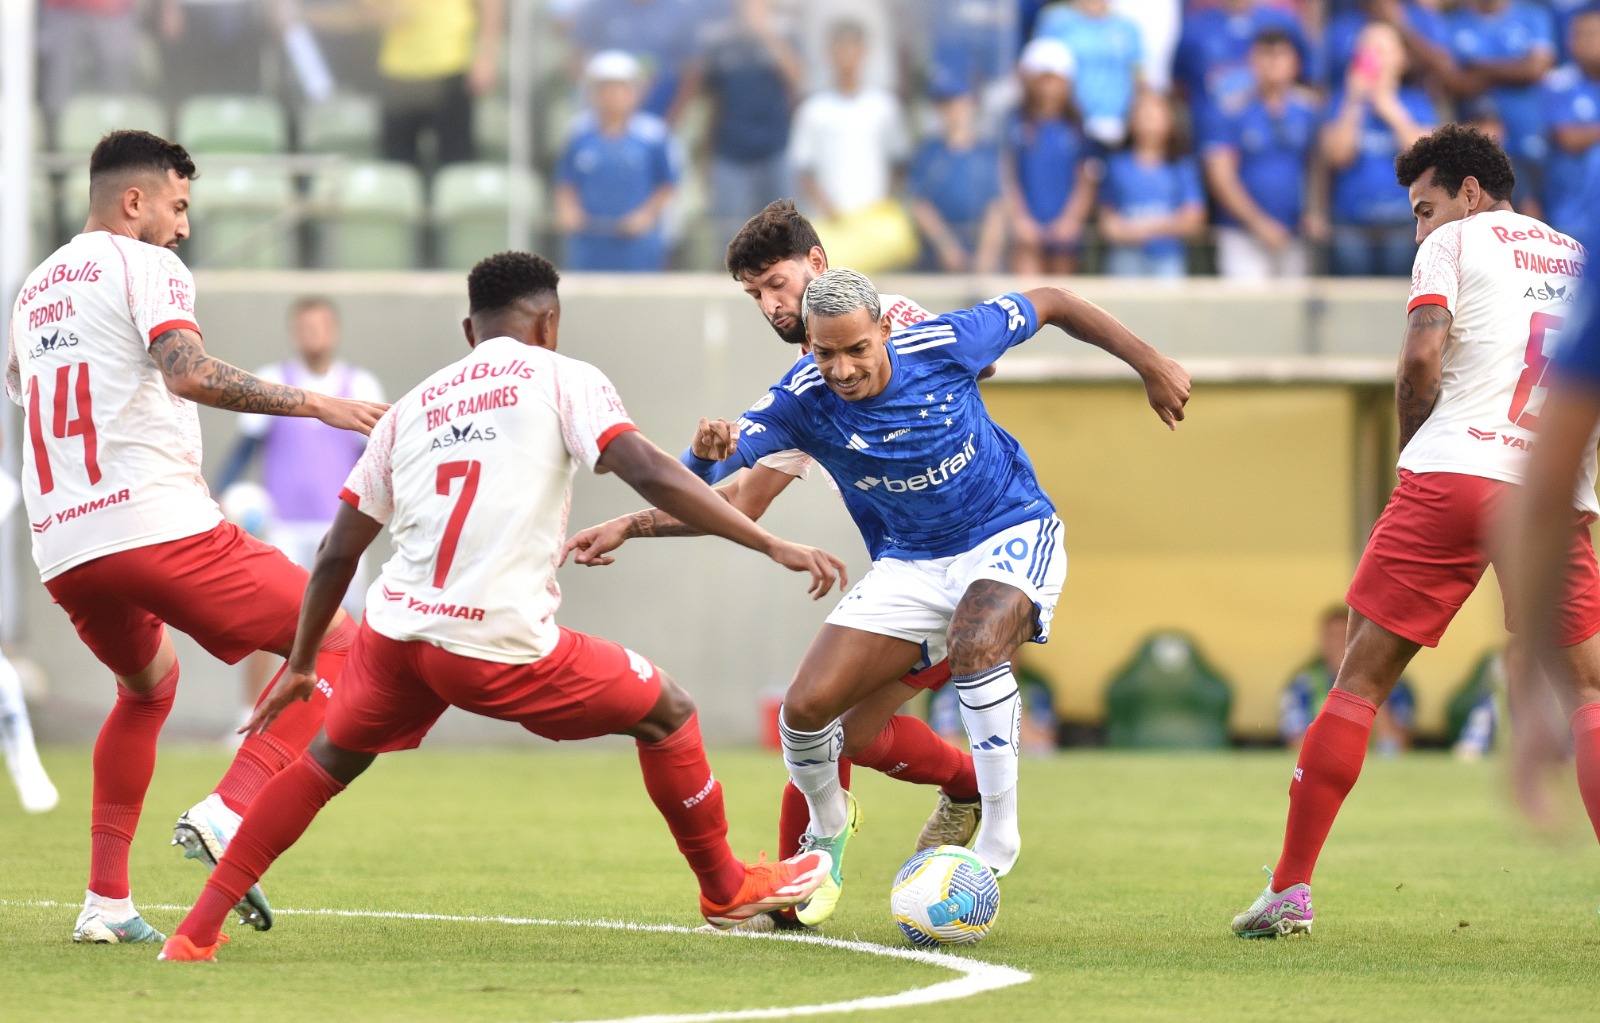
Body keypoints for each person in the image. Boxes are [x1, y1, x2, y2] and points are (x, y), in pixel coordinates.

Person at [155, 251, 846, 962]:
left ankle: (194, 932)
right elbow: (646, 469)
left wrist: (302, 662)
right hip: (490, 643)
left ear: (468, 328)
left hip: (395, 637)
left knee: (325, 761)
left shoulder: (412, 406)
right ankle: (725, 888)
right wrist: (766, 541)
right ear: (549, 322)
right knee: (668, 710)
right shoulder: (563, 376)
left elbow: (335, 551)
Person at [577, 267, 1190, 926]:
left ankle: (999, 832)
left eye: (855, 350)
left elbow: (1055, 299)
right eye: (825, 352)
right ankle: (828, 823)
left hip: (1007, 530)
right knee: (808, 708)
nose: (841, 368)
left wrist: (1150, 363)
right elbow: (709, 483)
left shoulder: (945, 343)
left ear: (885, 331)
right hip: (911, 563)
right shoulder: (801, 399)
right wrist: (702, 456)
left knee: (977, 642)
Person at [5, 130, 387, 944]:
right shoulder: (145, 265)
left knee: (148, 689)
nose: (183, 227)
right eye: (177, 206)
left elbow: (29, 388)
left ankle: (105, 904)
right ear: (134, 201)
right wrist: (316, 402)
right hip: (154, 524)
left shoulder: (33, 290)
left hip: (65, 547)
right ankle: (228, 809)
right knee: (342, 643)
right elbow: (185, 368)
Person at [566, 200, 988, 932]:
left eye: (776, 283)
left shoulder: (898, 328)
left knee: (818, 715)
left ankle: (802, 891)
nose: (768, 304)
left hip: (971, 567)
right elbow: (738, 502)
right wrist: (634, 522)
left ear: (819, 266)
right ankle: (962, 785)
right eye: (753, 293)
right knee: (844, 731)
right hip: (907, 576)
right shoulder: (816, 380)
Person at [1230, 124, 1600, 939]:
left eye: (1424, 207)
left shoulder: (1454, 243)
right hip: (1552, 489)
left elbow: (1421, 361)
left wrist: (1412, 451)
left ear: (1469, 193)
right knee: (1588, 695)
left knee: (1360, 681)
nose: (1420, 227)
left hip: (1455, 473)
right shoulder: (1579, 256)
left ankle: (1290, 889)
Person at [214, 296, 386, 716]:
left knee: (350, 624)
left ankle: (347, 719)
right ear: (295, 332)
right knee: (269, 620)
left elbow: (378, 458)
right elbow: (245, 449)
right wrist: (217, 493)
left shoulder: (361, 387)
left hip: (340, 526)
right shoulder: (275, 382)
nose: (313, 334)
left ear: (335, 331)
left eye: (320, 325)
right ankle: (248, 716)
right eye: (305, 326)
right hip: (284, 525)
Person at [1203, 27, 1322, 280]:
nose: (1273, 63)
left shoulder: (1310, 110)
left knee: (1293, 313)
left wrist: (1316, 211)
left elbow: (1320, 168)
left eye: (1281, 55)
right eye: (1265, 55)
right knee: (1246, 313)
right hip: (1242, 233)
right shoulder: (1232, 110)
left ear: (1295, 63)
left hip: (1296, 233)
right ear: (1252, 61)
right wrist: (1258, 224)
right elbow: (1221, 175)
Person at [1320, 21, 1435, 276]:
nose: (1373, 56)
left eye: (1381, 49)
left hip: (1403, 223)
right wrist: (1353, 103)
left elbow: (1424, 158)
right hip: (1351, 224)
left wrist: (1389, 108)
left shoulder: (1416, 101)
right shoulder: (1342, 101)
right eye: (1366, 49)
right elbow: (1337, 156)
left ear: (1401, 59)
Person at [690, 0, 805, 248]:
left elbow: (797, 77)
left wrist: (765, 32)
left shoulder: (786, 33)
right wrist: (707, 156)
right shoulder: (719, 41)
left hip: (775, 148)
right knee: (730, 236)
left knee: (785, 235)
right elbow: (712, 102)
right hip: (730, 152)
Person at [556, 51, 681, 272]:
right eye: (606, 89)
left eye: (621, 89)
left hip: (637, 241)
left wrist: (645, 216)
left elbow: (667, 184)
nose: (613, 96)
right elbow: (566, 181)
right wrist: (568, 210)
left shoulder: (653, 135)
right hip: (589, 239)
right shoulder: (578, 133)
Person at [787, 20, 910, 224]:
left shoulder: (884, 107)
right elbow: (803, 169)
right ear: (829, 55)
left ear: (863, 54)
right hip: (830, 221)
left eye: (852, 49)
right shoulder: (813, 110)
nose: (846, 58)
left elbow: (899, 162)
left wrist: (886, 201)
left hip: (874, 217)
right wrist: (826, 206)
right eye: (840, 49)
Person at [372, 0, 503, 171]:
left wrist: (487, 57)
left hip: (450, 65)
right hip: (398, 72)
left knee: (457, 166)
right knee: (396, 166)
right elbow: (367, 11)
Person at [1003, 38, 1095, 275]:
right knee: (1026, 300)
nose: (1049, 89)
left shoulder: (1078, 126)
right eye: (1043, 80)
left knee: (1062, 298)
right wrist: (1020, 219)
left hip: (1064, 232)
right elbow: (1006, 174)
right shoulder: (1015, 123)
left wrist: (1071, 220)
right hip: (1026, 231)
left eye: (1056, 80)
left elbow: (1086, 178)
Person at [1279, 605, 1415, 756]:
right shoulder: (1303, 686)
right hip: (1328, 768)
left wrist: (1365, 683)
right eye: (1332, 637)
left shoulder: (1392, 682)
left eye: (1343, 636)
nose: (1337, 644)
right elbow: (1298, 747)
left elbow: (1395, 746)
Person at [908, 66, 1006, 274]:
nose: (951, 110)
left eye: (955, 102)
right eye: (944, 104)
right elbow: (920, 204)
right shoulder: (929, 153)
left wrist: (986, 255)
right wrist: (946, 246)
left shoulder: (986, 153)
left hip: (978, 248)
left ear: (970, 103)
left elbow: (996, 207)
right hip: (935, 257)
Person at [1098, 91, 1205, 278]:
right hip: (1125, 259)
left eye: (1156, 114)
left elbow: (1193, 219)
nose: (1149, 121)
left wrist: (1140, 229)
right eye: (1142, 114)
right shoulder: (1117, 165)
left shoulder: (1181, 167)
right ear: (1131, 120)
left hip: (1168, 259)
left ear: (1170, 120)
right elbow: (1108, 222)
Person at [1031, 0, 1144, 147]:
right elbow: (1037, 74)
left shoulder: (1128, 27)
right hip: (1069, 128)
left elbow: (1138, 78)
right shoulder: (1054, 20)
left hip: (1117, 128)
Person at [1540, 7, 1600, 236]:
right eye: (1579, 34)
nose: (1586, 42)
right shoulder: (1558, 82)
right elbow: (1569, 138)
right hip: (1570, 215)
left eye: (1594, 34)